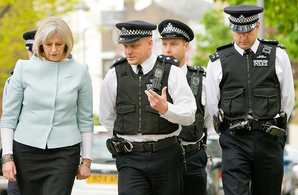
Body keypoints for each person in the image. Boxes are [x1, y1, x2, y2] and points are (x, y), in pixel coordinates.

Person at [99, 20, 197, 195]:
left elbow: (189, 115)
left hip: (166, 156)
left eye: (134, 46)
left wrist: (166, 109)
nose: (128, 51)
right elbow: (107, 117)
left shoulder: (171, 71)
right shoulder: (115, 74)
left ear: (150, 43)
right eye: (125, 46)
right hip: (130, 158)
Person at [206, 4, 295, 195]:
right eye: (238, 32)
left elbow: (287, 99)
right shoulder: (218, 61)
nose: (243, 37)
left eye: (247, 31)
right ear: (231, 29)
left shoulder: (277, 56)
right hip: (234, 140)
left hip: (269, 139)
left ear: (257, 26)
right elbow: (213, 105)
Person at [0, 17, 94, 195]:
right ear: (40, 44)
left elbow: (85, 118)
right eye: (48, 44)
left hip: (64, 153)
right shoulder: (23, 68)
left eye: (59, 44)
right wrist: (7, 157)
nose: (53, 49)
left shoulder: (81, 71)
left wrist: (86, 160)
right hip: (26, 151)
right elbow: (9, 118)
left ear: (67, 44)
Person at [158, 19, 213, 195]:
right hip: (162, 157)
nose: (168, 49)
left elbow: (209, 117)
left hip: (192, 156)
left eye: (173, 44)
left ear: (186, 46)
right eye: (164, 44)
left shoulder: (201, 78)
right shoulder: (153, 78)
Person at [2, 29, 37, 195]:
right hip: (19, 153)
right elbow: (8, 120)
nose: (32, 55)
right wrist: (8, 157)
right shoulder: (13, 80)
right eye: (30, 50)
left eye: (36, 51)